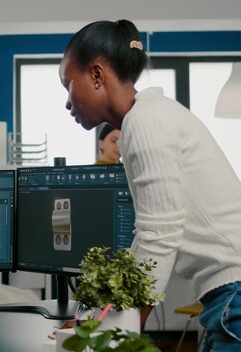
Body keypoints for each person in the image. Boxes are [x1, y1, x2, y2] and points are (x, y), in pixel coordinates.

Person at [59, 19, 241, 351]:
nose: (67, 102)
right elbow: (150, 233)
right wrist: (107, 317)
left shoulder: (146, 120)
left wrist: (114, 330)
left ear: (97, 75)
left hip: (234, 294)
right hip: (227, 295)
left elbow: (160, 236)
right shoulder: (148, 117)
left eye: (68, 85)